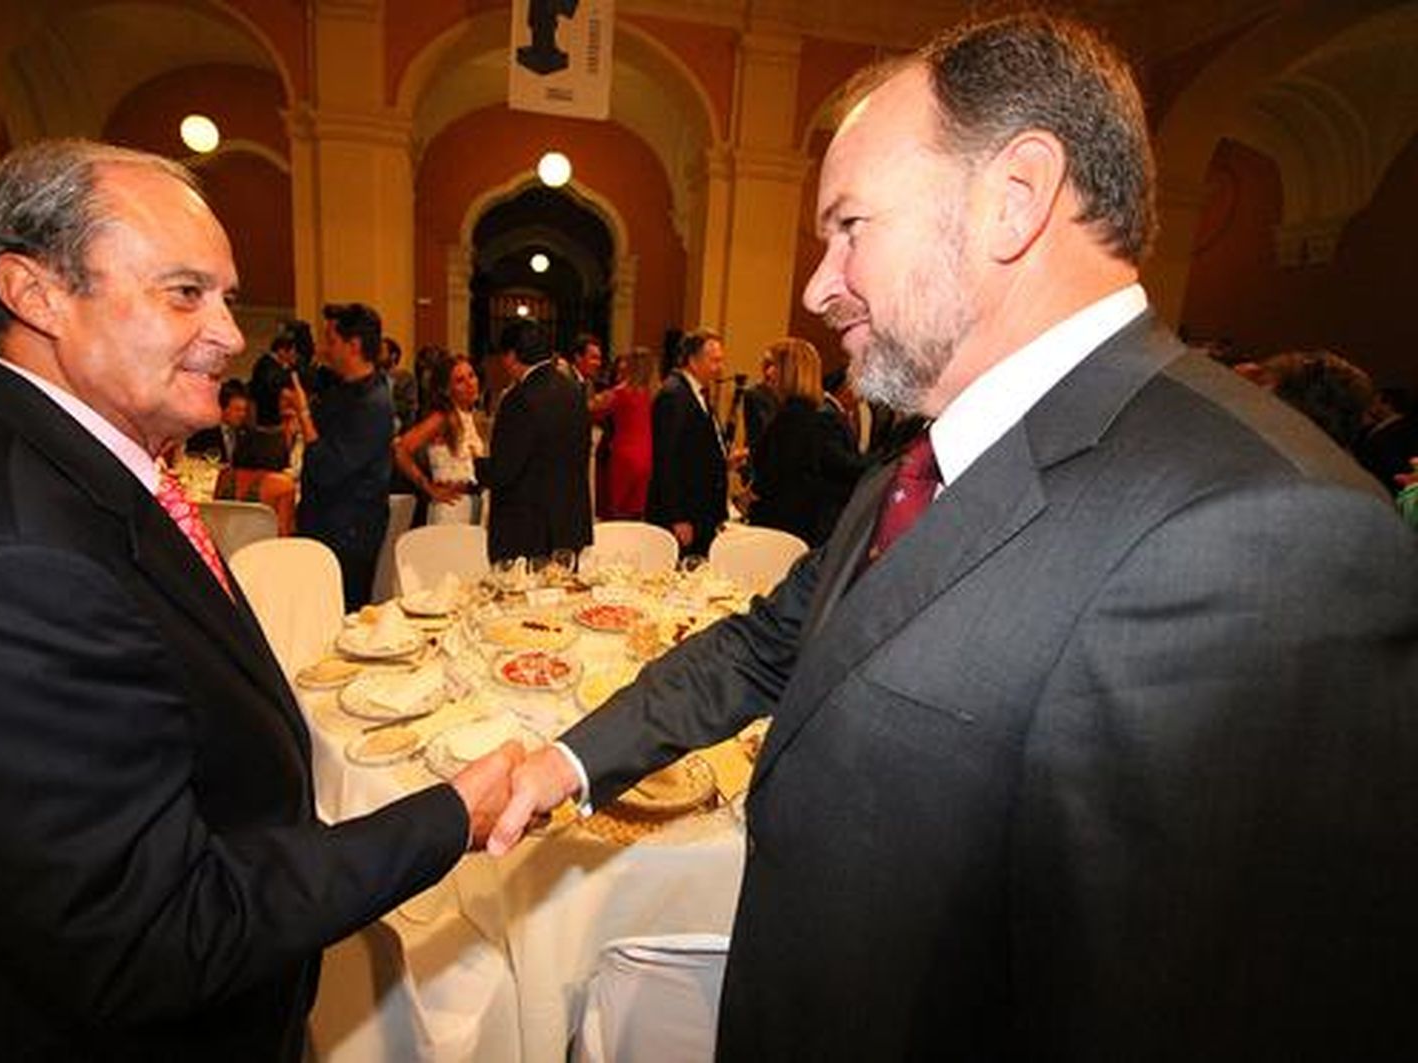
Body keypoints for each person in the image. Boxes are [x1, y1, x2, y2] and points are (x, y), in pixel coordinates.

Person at [490, 14, 1418, 1059]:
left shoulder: (1267, 530)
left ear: (1012, 200)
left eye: (849, 228)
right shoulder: (915, 467)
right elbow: (766, 644)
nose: (816, 284)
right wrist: (565, 762)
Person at [0, 139, 522, 1060]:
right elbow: (154, 929)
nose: (232, 334)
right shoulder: (3, 559)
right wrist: (445, 818)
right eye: (185, 292)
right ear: (35, 292)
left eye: (225, 296)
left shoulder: (70, 470)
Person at [299, 302, 394, 610]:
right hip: (328, 521)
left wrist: (303, 415)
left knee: (341, 614)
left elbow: (327, 467)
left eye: (331, 340)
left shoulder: (373, 403)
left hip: (348, 529)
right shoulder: (344, 389)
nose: (325, 349)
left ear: (353, 345)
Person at [482, 318, 592, 562]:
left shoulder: (518, 398)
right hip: (568, 523)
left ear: (511, 356)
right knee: (564, 598)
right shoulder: (574, 390)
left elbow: (504, 470)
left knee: (522, 598)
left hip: (527, 529)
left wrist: (476, 466)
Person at [746, 338, 868, 545]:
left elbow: (775, 479)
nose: (767, 373)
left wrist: (754, 492)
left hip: (788, 534)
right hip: (805, 529)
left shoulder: (795, 418)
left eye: (773, 365)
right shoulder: (818, 414)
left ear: (789, 370)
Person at [645, 328, 738, 556]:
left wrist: (723, 461)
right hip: (685, 513)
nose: (720, 368)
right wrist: (678, 517)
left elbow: (696, 450)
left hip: (701, 510)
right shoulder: (674, 395)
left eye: (721, 361)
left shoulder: (697, 392)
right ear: (693, 360)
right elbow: (667, 459)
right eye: (714, 361)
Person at [393, 352, 485, 525]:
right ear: (447, 389)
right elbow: (401, 449)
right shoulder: (442, 418)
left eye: (471, 376)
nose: (470, 384)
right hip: (448, 508)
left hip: (467, 504)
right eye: (460, 380)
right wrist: (428, 487)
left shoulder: (468, 415)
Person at [594, 347, 655, 520]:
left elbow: (591, 409)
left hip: (624, 455)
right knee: (637, 512)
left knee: (617, 513)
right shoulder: (654, 393)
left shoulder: (619, 393)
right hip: (646, 456)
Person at [249, 319, 311, 426]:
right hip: (269, 423)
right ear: (282, 350)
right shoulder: (265, 365)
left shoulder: (280, 366)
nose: (295, 356)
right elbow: (274, 387)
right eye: (293, 351)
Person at [185, 377, 249, 463]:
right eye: (237, 410)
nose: (242, 414)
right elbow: (192, 459)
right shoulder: (204, 432)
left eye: (244, 410)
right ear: (223, 409)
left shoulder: (245, 433)